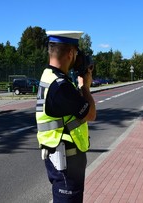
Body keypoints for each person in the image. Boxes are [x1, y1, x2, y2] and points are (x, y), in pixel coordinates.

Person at [36, 30, 96, 202]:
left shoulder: (49, 77)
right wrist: (85, 86)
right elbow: (91, 114)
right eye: (76, 53)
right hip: (66, 164)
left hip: (60, 159)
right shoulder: (61, 86)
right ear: (70, 53)